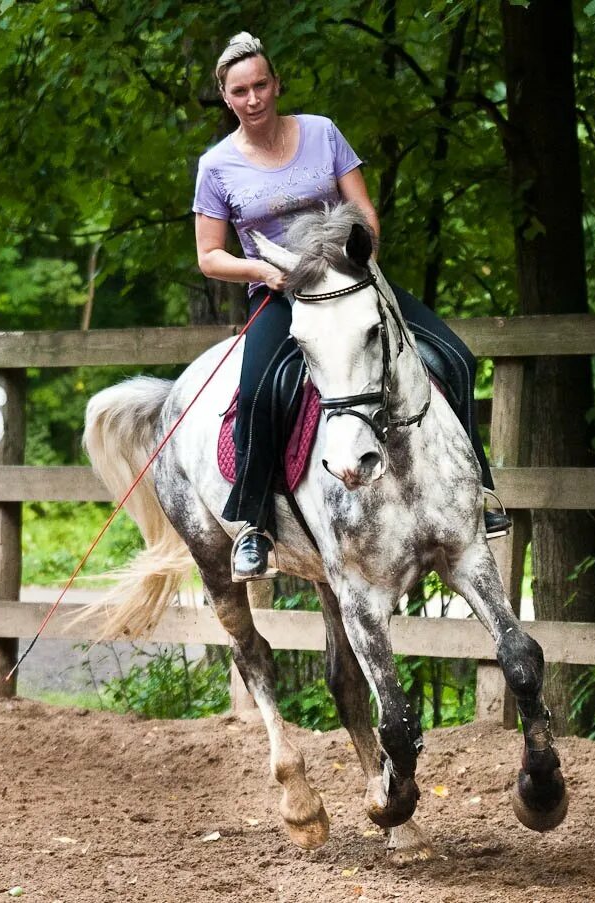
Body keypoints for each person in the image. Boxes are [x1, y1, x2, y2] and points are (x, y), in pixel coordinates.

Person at [193, 32, 510, 582]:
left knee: (455, 357)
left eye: (261, 84)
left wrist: (358, 259)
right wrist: (265, 271)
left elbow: (363, 211)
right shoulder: (216, 166)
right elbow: (210, 257)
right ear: (227, 97)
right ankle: (252, 523)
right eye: (240, 90)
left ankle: (478, 487)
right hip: (280, 291)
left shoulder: (322, 133)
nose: (253, 99)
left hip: (350, 282)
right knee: (258, 391)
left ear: (276, 83)